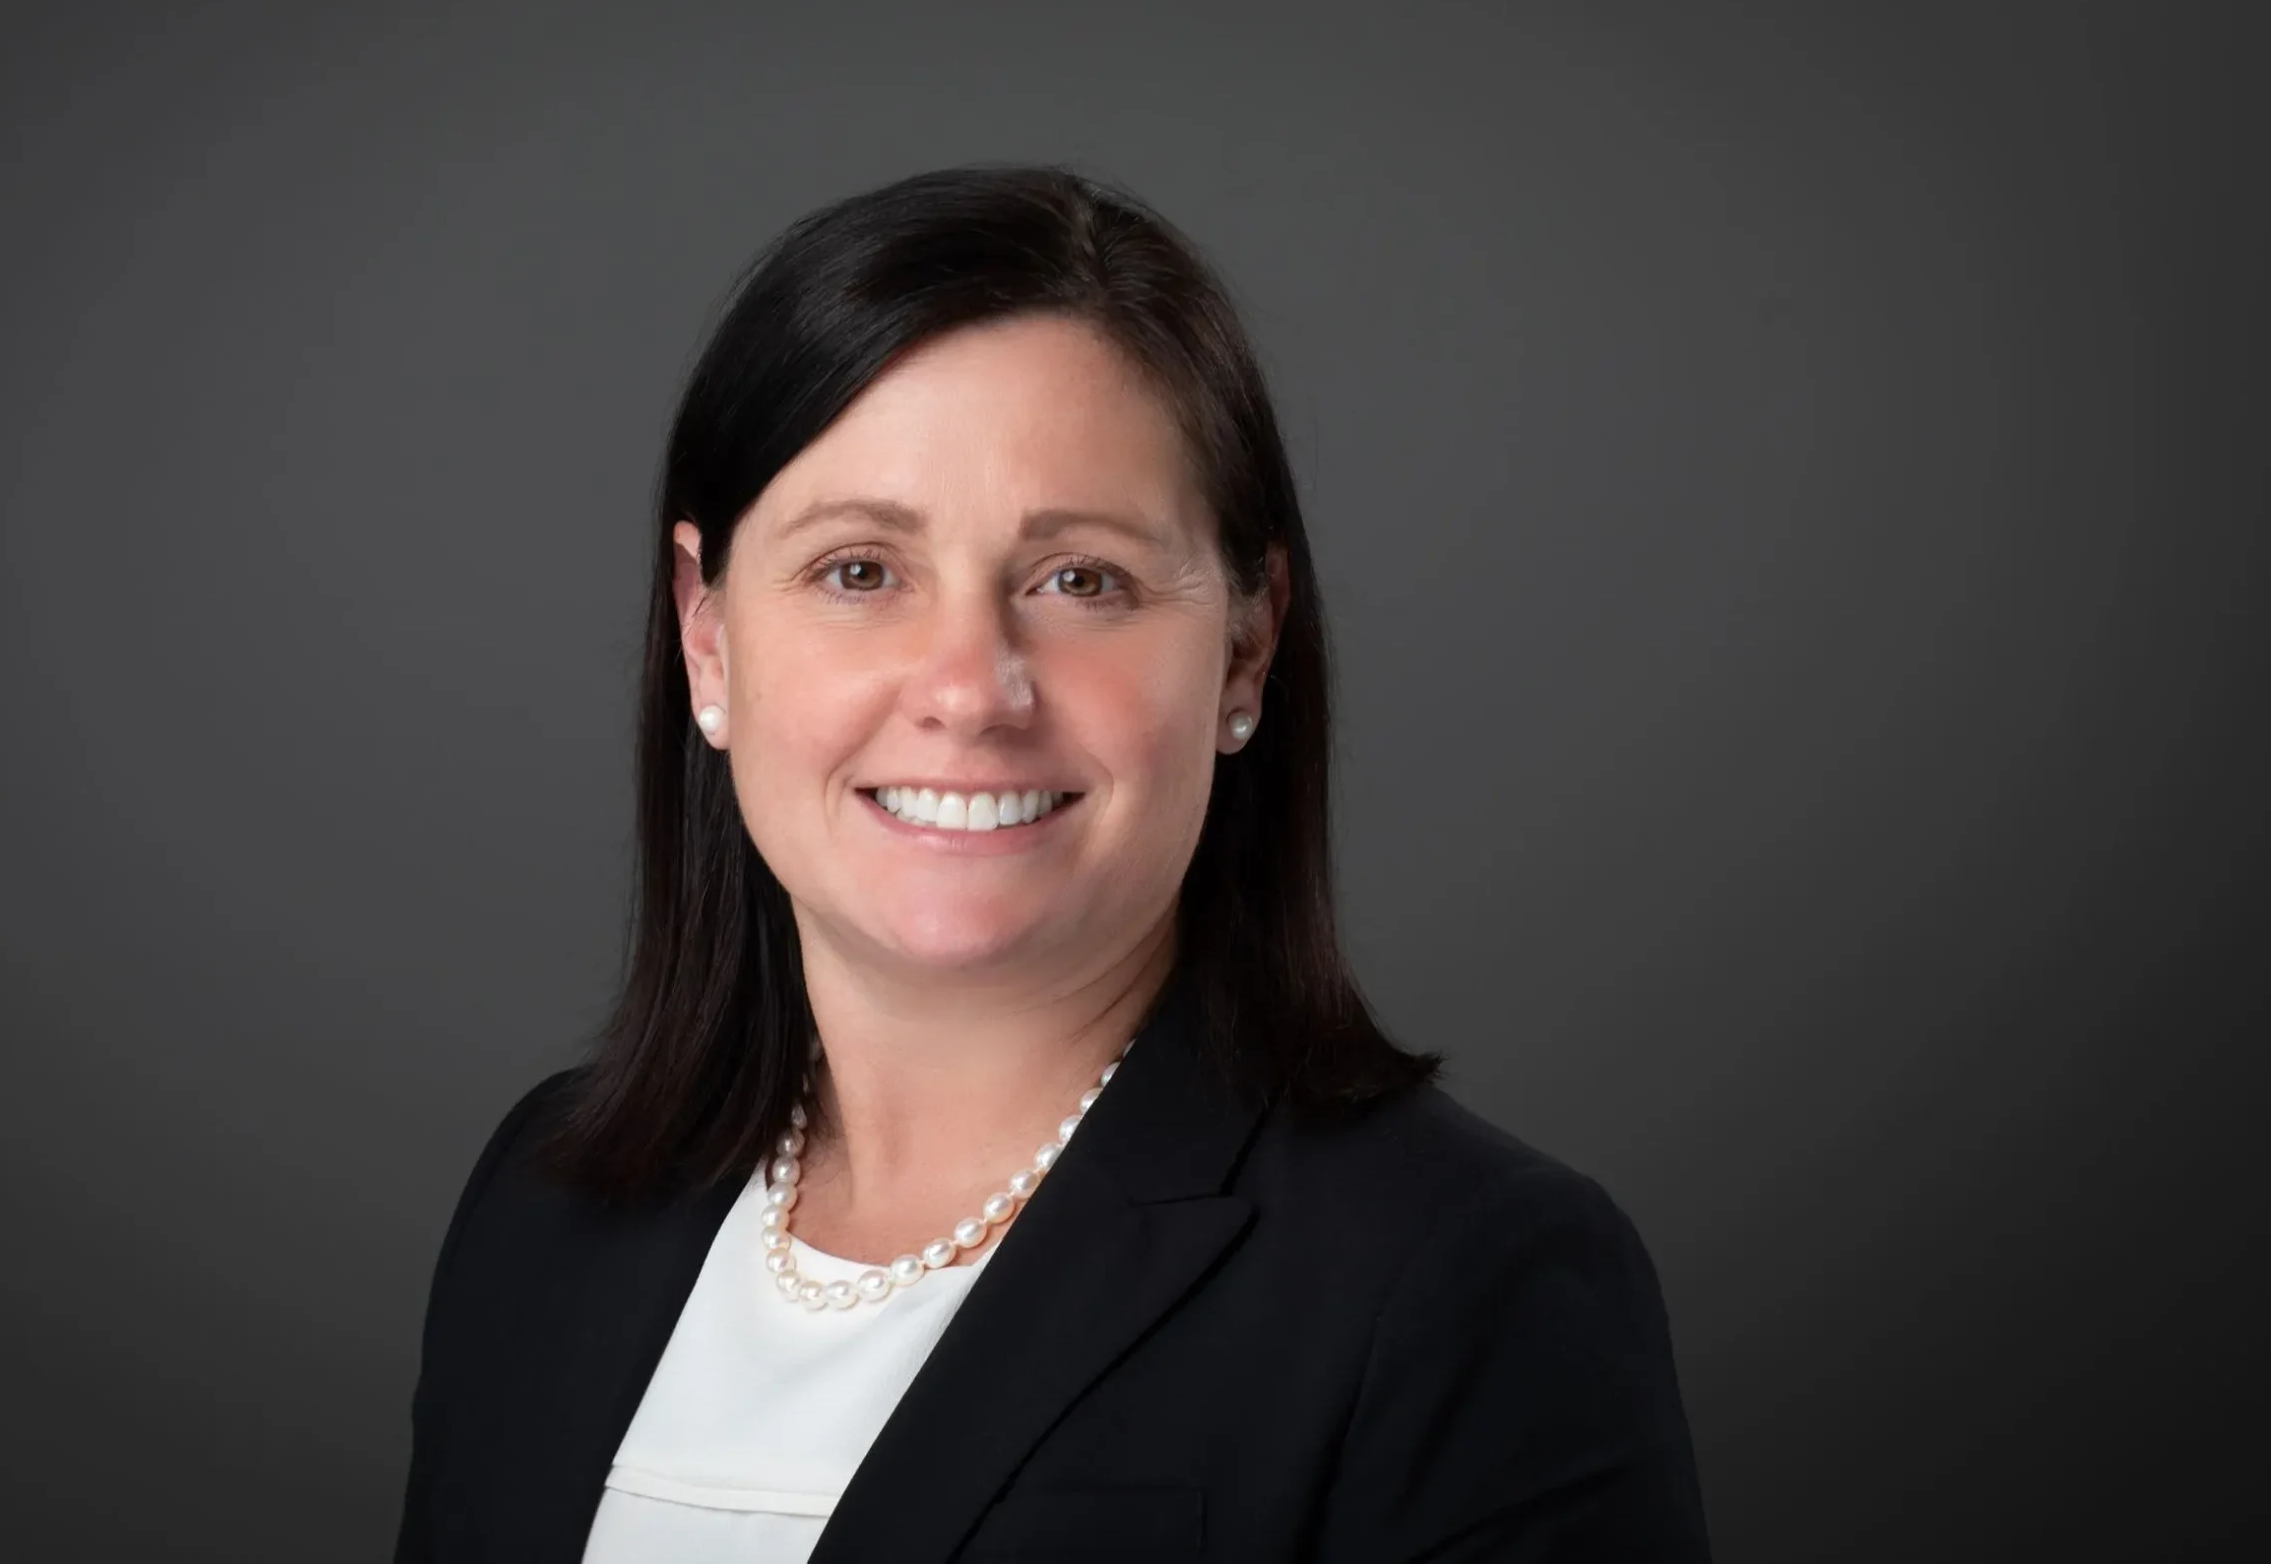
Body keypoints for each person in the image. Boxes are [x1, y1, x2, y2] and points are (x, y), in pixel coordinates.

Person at [394, 164, 1711, 1562]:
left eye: (1082, 580)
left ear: (1248, 646)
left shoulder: (1463, 1282)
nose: (971, 688)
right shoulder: (544, 1203)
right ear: (707, 635)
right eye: (860, 571)